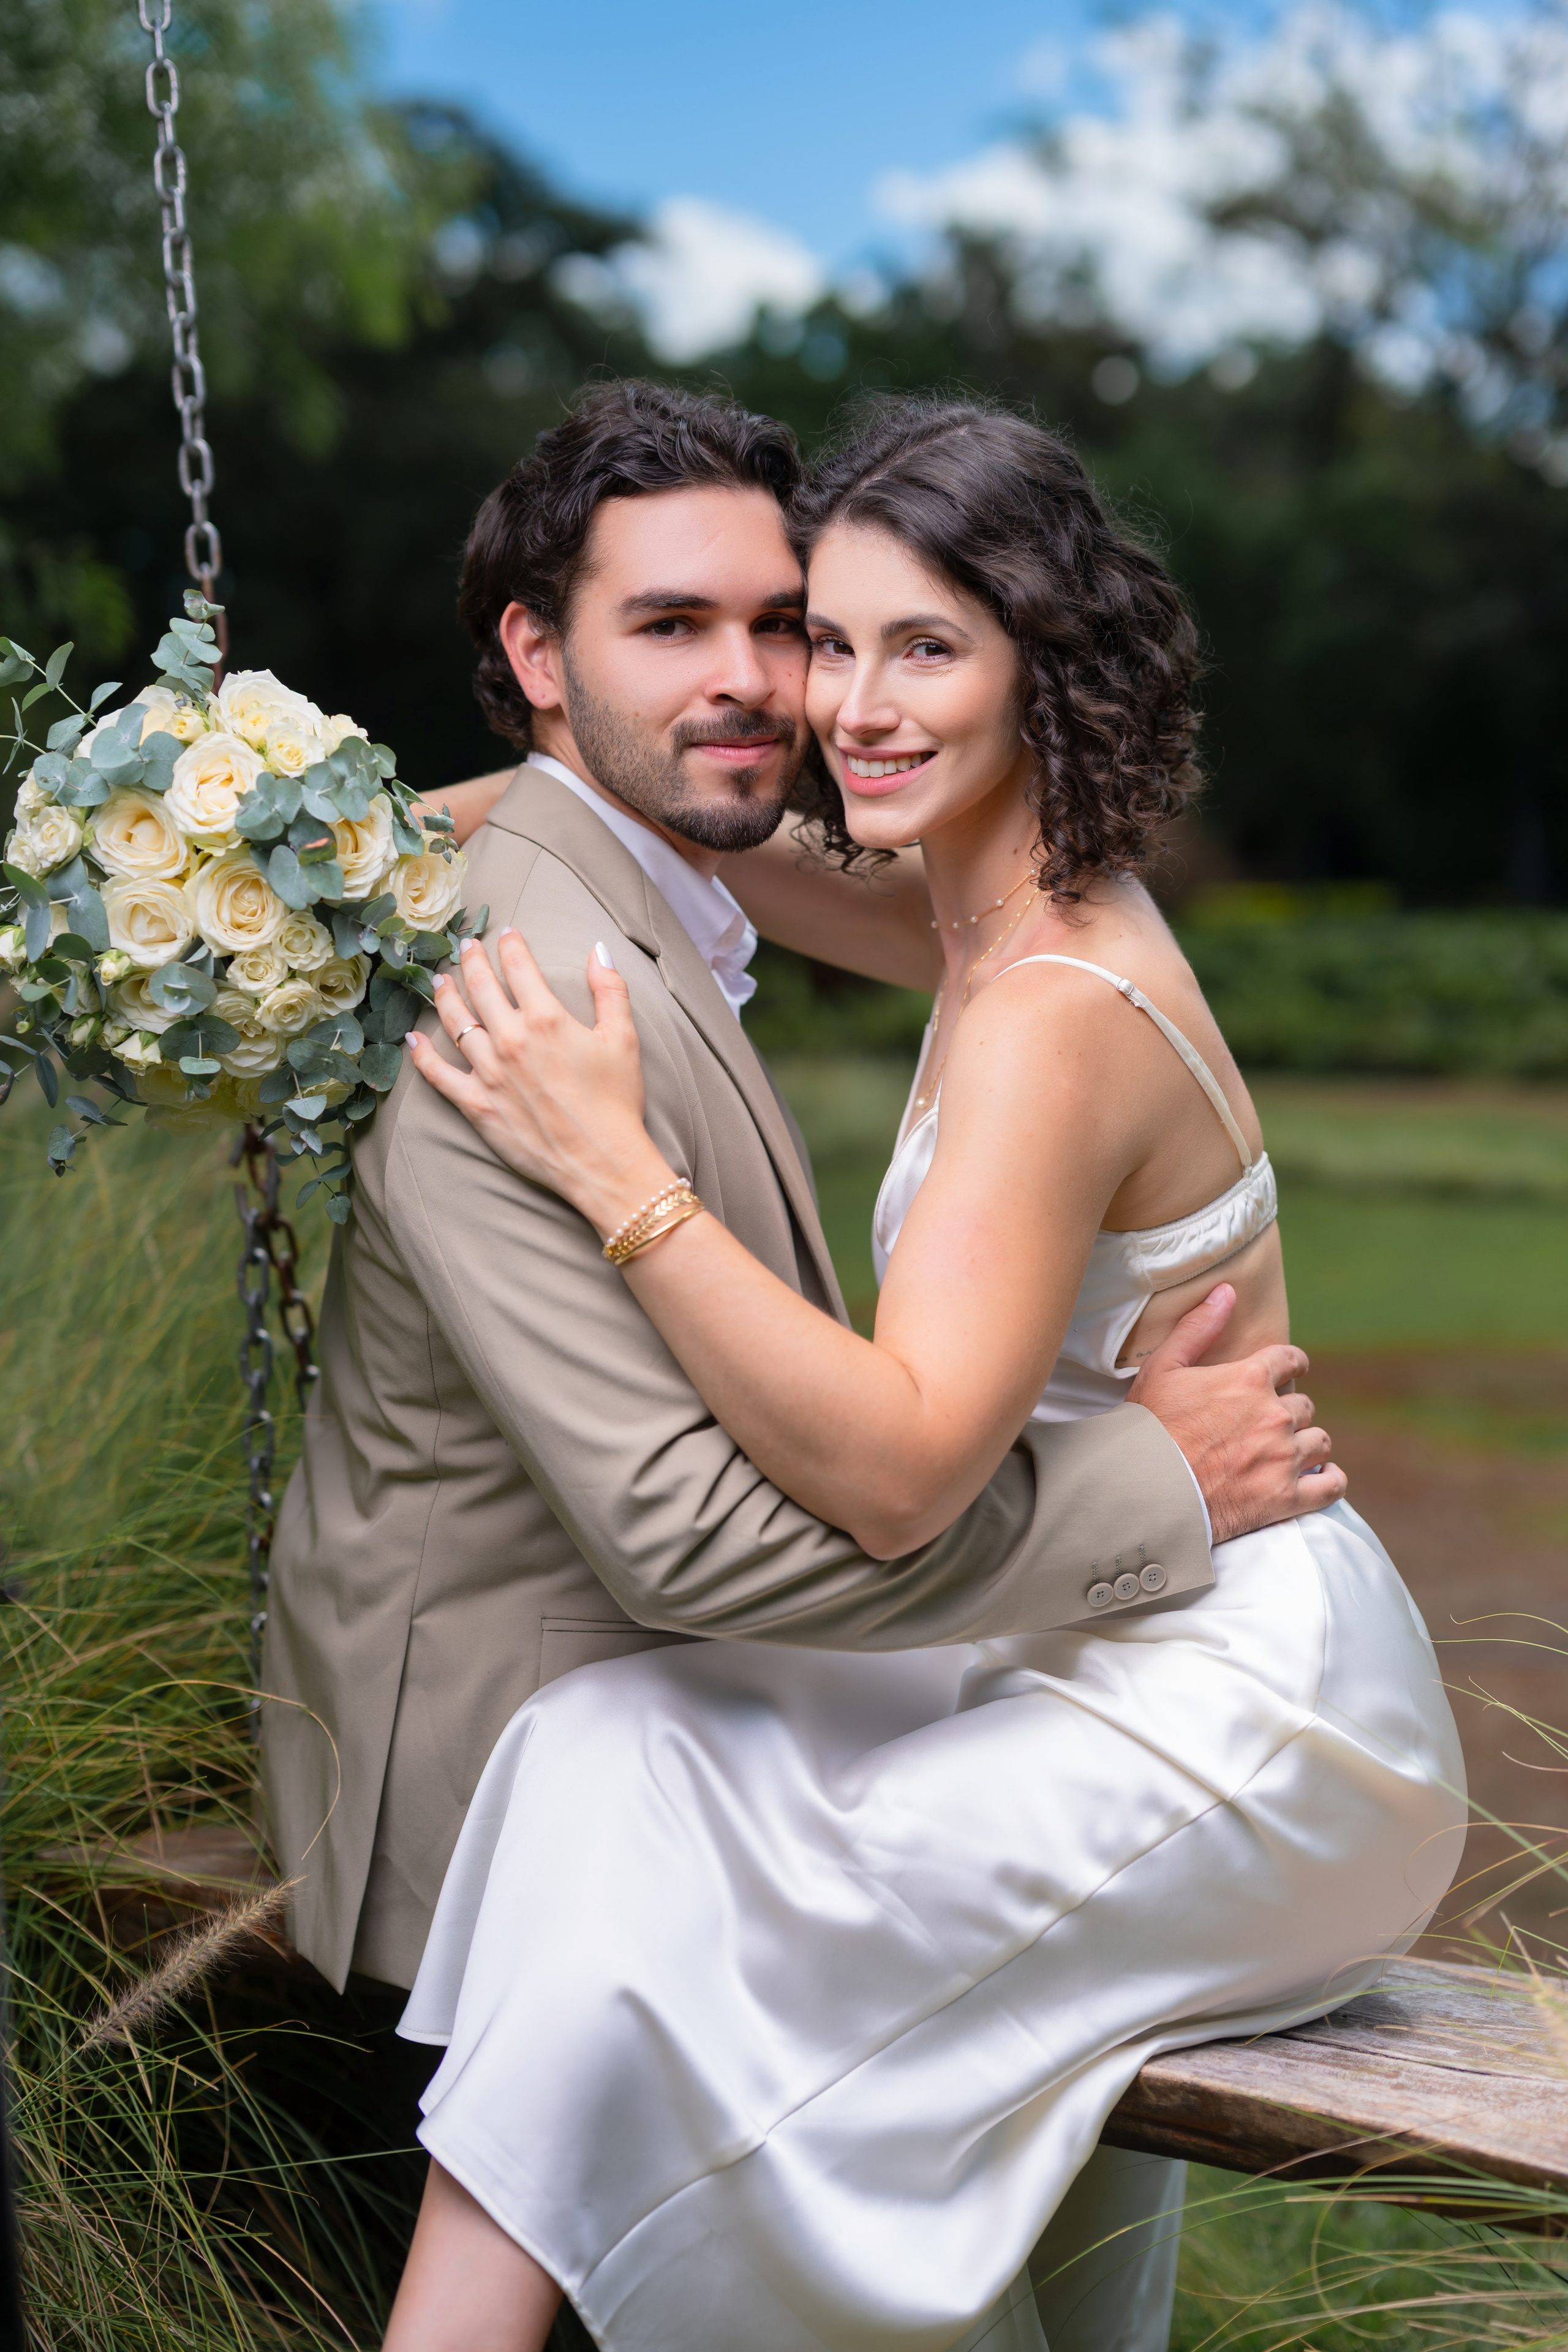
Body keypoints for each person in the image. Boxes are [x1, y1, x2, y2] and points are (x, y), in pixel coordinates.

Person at [380, 395, 1464, 2352]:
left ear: (1046, 665)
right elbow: (619, 812)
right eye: (831, 641)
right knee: (601, 1753)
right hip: (1076, 1626)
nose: (851, 707)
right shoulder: (968, 895)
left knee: (687, 1935)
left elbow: (895, 1476)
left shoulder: (1053, 1007)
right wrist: (314, 831)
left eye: (927, 649)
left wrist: (615, 1171)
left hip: (1243, 1715)